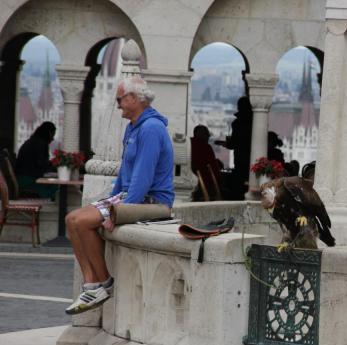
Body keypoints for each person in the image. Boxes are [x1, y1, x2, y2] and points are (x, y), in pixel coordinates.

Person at [64, 76, 174, 315]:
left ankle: (104, 283)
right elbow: (125, 174)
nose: (118, 105)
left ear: (134, 98)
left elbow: (143, 180)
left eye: (120, 99)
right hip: (130, 196)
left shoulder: (151, 128)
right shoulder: (134, 127)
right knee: (72, 220)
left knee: (82, 223)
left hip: (151, 201)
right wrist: (110, 202)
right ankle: (91, 285)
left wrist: (119, 212)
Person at [215, 96, 253, 199]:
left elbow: (234, 143)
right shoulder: (254, 122)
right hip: (251, 158)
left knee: (238, 183)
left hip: (240, 158)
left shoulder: (237, 123)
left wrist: (225, 143)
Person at [15, 121, 57, 198]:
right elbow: (41, 163)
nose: (53, 139)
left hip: (22, 178)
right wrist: (53, 164)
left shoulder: (33, 141)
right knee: (57, 186)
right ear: (48, 133)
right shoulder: (40, 143)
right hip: (28, 180)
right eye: (52, 135)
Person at [190, 124, 220, 201]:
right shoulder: (206, 147)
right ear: (203, 135)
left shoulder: (188, 144)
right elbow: (214, 169)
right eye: (207, 135)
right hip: (204, 184)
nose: (208, 137)